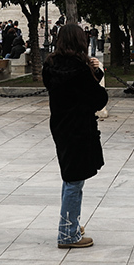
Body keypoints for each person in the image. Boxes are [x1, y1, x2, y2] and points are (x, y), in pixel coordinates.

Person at [43, 24, 107, 249]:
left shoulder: (50, 66)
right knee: (74, 180)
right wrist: (95, 73)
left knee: (70, 176)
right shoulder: (80, 69)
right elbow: (98, 98)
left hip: (61, 126)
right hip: (79, 128)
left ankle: (70, 224)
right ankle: (68, 234)